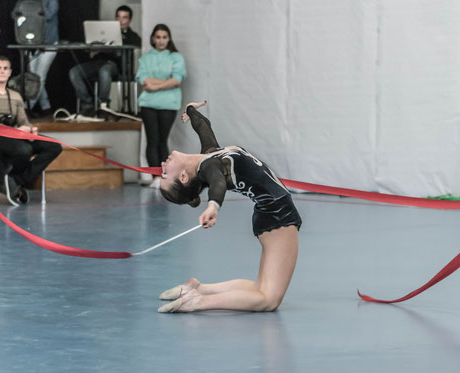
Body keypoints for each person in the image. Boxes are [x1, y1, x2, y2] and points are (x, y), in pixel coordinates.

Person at [157, 101, 302, 313]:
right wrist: (213, 206)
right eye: (164, 173)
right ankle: (196, 301)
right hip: (279, 215)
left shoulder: (210, 155)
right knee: (268, 300)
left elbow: (203, 126)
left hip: (270, 214)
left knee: (260, 288)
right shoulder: (210, 167)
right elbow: (218, 182)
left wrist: (191, 110)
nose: (162, 165)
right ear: (184, 176)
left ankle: (198, 288)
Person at [0, 56, 62, 206]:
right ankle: (11, 182)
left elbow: (23, 121)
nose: (2, 71)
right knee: (24, 150)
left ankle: (15, 180)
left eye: (5, 68)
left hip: (14, 134)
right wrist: (15, 130)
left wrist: (31, 130)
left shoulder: (15, 95)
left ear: (10, 72)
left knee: (53, 146)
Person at [136, 24, 186, 189]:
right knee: (152, 140)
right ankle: (155, 177)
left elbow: (177, 79)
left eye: (164, 37)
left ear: (169, 39)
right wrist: (166, 82)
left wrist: (155, 85)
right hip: (148, 104)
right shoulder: (145, 59)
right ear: (153, 39)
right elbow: (144, 79)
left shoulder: (176, 57)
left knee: (162, 141)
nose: (161, 40)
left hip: (168, 104)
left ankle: (165, 176)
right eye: (158, 37)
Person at [68, 5, 141, 117]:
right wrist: (94, 49)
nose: (121, 20)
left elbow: (134, 48)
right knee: (74, 72)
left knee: (104, 71)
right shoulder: (105, 31)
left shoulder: (132, 36)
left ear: (129, 20)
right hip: (98, 62)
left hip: (116, 66)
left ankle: (103, 106)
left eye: (124, 17)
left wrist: (112, 49)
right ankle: (87, 105)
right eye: (118, 17)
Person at [24, 0, 58, 117]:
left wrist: (34, 7)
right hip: (31, 43)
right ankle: (46, 108)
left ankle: (26, 108)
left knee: (39, 78)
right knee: (33, 77)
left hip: (49, 43)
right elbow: (15, 14)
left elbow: (48, 15)